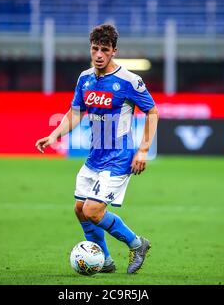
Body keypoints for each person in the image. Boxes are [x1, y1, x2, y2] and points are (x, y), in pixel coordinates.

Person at [35, 24, 159, 274]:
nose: (99, 54)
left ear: (114, 51)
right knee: (80, 209)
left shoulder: (129, 81)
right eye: (95, 49)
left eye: (104, 49)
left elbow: (152, 112)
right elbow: (76, 112)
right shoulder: (85, 78)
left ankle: (137, 244)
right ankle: (106, 260)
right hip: (95, 156)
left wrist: (143, 150)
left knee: (93, 210)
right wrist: (54, 134)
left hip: (119, 156)